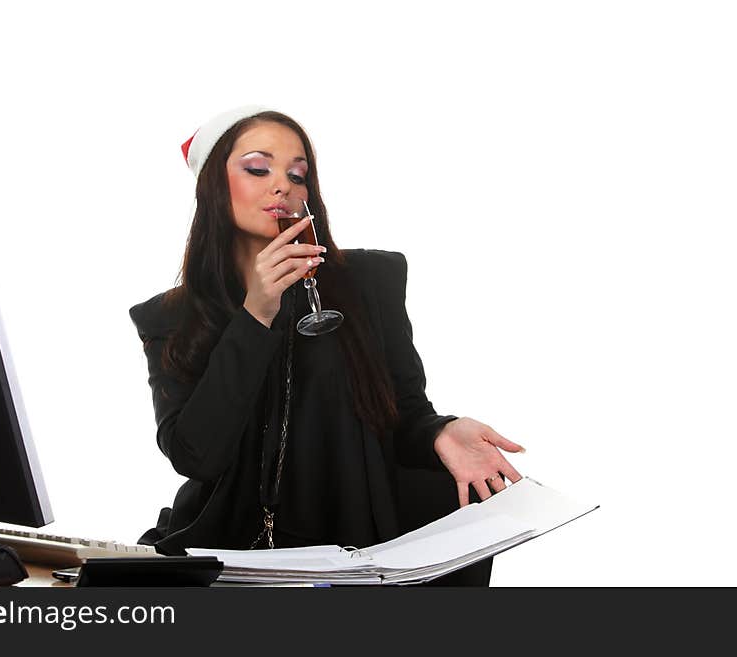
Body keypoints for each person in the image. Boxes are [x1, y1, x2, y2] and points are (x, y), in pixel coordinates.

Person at [130, 106, 525, 585]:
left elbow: (402, 413)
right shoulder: (170, 317)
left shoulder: (370, 281)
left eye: (298, 174)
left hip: (362, 536)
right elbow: (195, 456)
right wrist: (256, 315)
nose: (283, 185)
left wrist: (440, 431)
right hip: (240, 547)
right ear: (213, 186)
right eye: (258, 168)